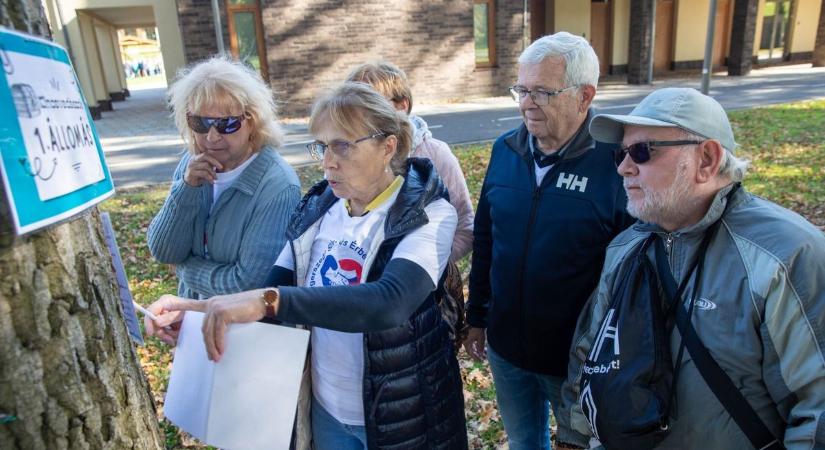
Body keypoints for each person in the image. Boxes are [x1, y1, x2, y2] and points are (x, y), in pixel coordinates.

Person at [145, 82, 469, 450]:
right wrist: (195, 312)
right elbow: (271, 292)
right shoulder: (319, 209)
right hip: (327, 409)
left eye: (343, 145)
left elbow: (389, 302)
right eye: (322, 146)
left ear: (387, 146)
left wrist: (269, 300)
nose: (328, 161)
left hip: (407, 415)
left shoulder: (428, 212)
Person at [559, 87, 825, 449]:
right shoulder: (627, 247)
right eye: (620, 153)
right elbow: (592, 351)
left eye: (642, 151)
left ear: (707, 159)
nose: (624, 167)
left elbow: (817, 410)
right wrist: (579, 437)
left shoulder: (784, 257)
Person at [464, 32, 634, 450]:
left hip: (576, 359)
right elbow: (487, 235)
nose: (526, 103)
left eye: (542, 92)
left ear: (585, 96)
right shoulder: (506, 149)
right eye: (521, 89)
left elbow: (632, 269)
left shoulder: (619, 161)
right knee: (525, 442)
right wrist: (478, 315)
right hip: (507, 349)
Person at [147, 56, 300, 301]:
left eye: (226, 124)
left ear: (252, 121)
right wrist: (187, 188)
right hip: (195, 323)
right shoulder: (192, 165)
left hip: (248, 332)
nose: (212, 137)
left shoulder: (277, 185)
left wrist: (185, 268)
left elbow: (248, 284)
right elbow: (165, 251)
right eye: (199, 122)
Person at [346, 61, 474, 261]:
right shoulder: (345, 156)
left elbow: (465, 226)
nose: (361, 115)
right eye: (355, 106)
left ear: (402, 106)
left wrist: (426, 270)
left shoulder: (436, 154)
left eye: (373, 104)